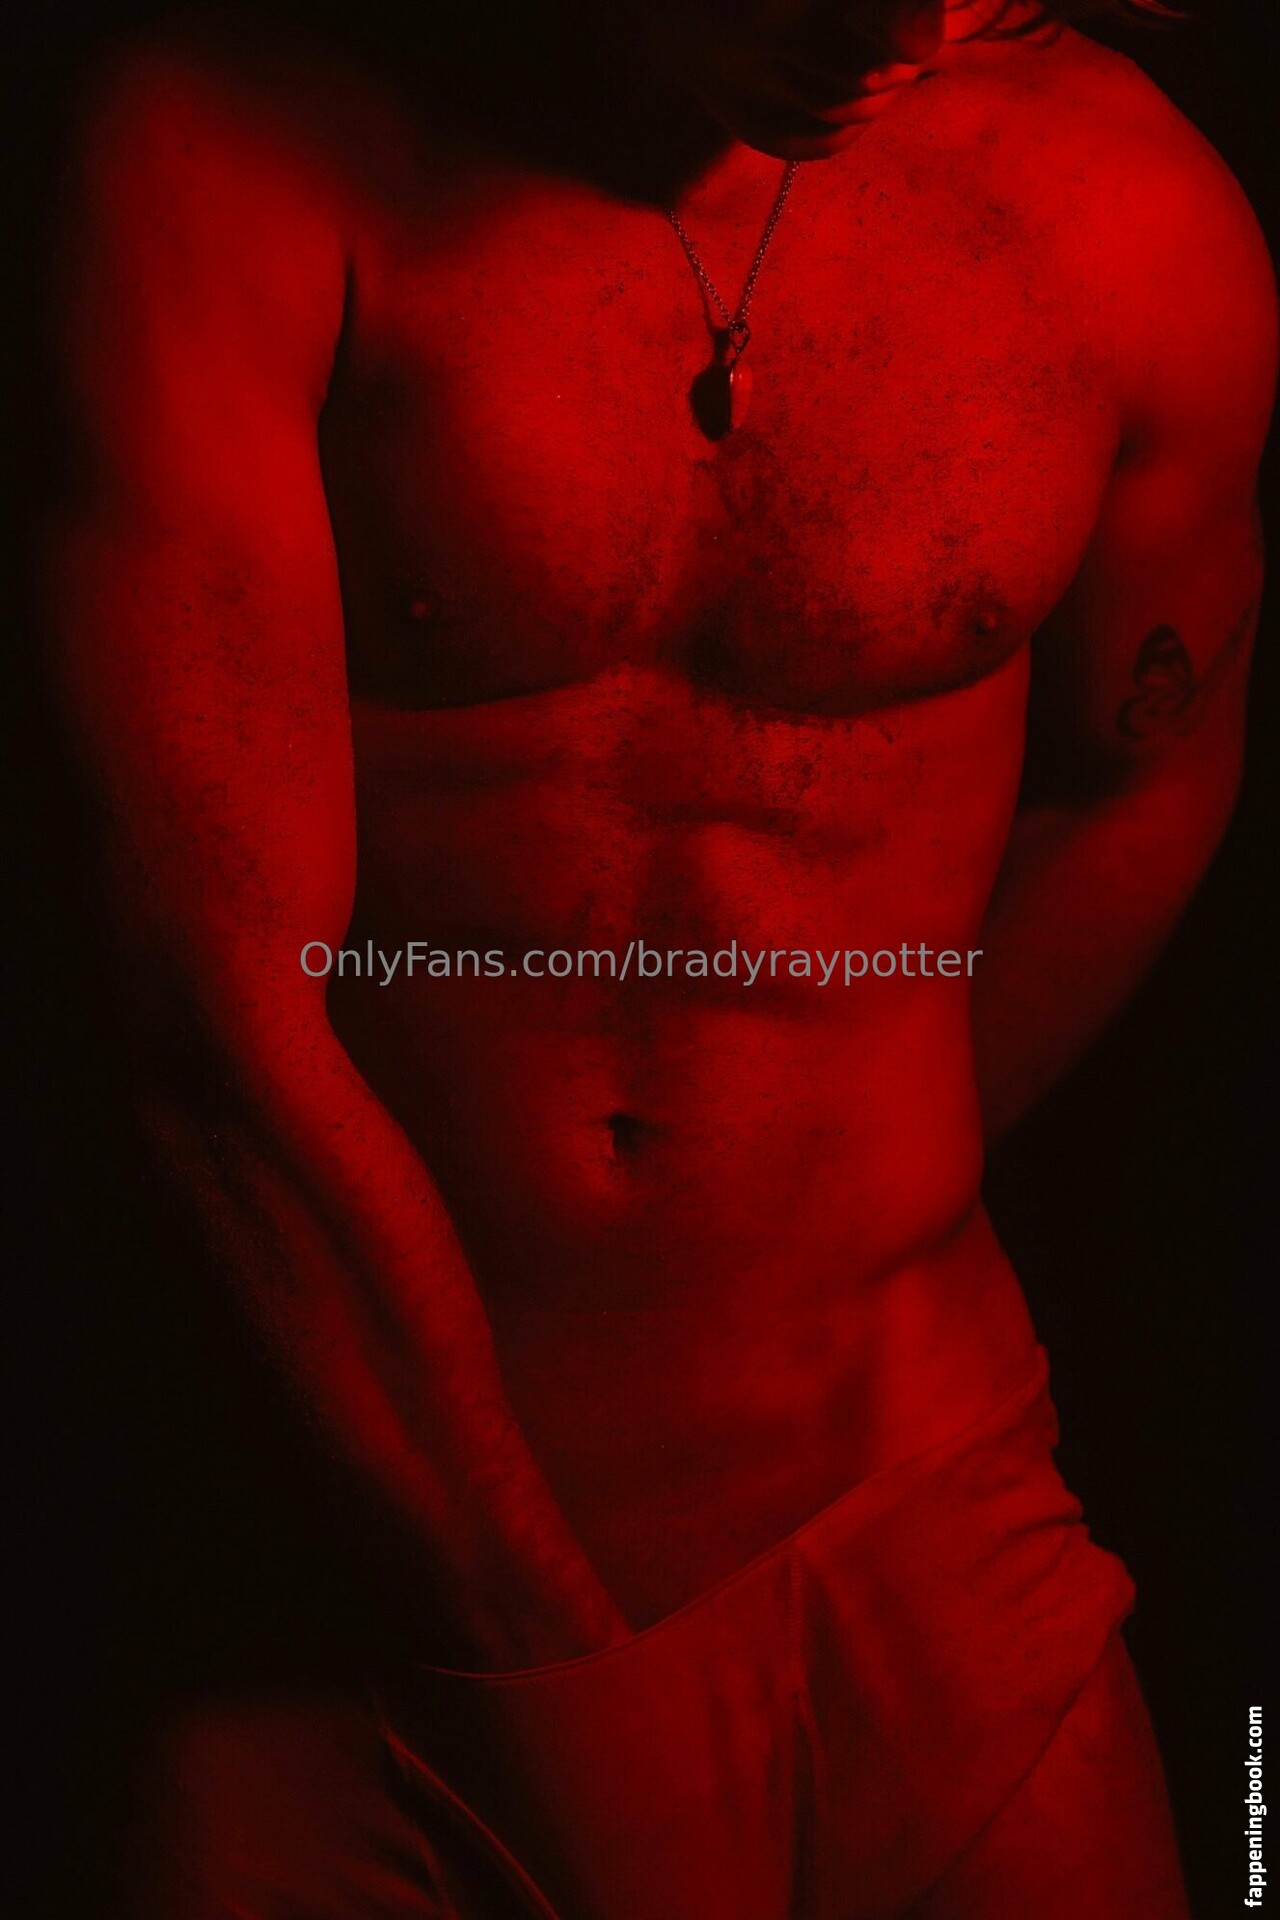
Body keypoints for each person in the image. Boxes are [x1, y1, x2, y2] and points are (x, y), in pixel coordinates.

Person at [46, 0, 1275, 1912]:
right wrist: (561, 1680)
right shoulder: (223, 155)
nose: (895, 25)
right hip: (341, 1585)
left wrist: (832, 1181)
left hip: (922, 1530)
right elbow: (203, 1022)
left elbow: (1145, 773)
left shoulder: (1137, 215)